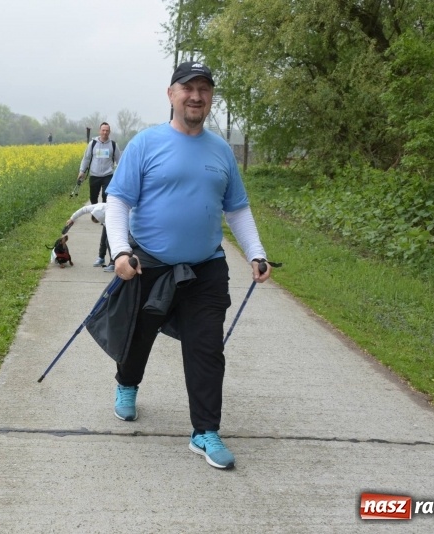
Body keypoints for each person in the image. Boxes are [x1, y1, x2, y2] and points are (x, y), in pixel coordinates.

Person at [102, 61, 273, 470]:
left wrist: (256, 252)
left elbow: (238, 210)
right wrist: (122, 252)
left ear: (210, 97)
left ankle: (204, 431)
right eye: (188, 88)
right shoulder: (146, 144)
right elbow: (119, 202)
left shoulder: (221, 152)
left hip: (205, 269)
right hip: (150, 266)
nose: (196, 96)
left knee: (207, 348)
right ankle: (127, 385)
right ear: (172, 94)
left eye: (204, 89)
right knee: (138, 335)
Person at [77, 122, 121, 205]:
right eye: (103, 130)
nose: (105, 132)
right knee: (93, 198)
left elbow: (119, 161)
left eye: (107, 130)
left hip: (108, 175)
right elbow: (86, 158)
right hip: (94, 175)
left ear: (109, 132)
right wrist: (82, 171)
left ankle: (104, 214)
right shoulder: (92, 144)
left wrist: (121, 174)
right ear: (99, 131)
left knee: (106, 195)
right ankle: (95, 215)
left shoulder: (113, 145)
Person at [65, 203, 113, 271]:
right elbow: (82, 210)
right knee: (103, 240)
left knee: (109, 242)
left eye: (99, 221)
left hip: (114, 222)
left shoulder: (111, 215)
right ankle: (101, 258)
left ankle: (113, 262)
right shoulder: (94, 208)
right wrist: (72, 219)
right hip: (107, 221)